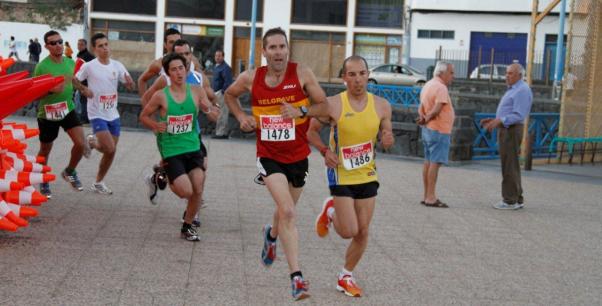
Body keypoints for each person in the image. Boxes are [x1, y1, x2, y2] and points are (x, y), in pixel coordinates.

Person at [224, 27, 329, 301]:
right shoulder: (251, 78)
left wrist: (301, 110)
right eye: (273, 48)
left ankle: (271, 235)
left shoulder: (302, 73)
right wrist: (240, 116)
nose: (279, 52)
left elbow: (325, 106)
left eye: (282, 47)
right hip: (268, 154)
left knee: (285, 211)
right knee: (289, 211)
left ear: (287, 50)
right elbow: (229, 95)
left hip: (297, 155)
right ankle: (297, 279)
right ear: (264, 52)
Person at [308, 55, 394, 298]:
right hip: (341, 173)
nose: (358, 79)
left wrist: (387, 139)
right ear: (344, 78)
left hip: (367, 173)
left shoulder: (382, 105)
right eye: (352, 74)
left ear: (368, 75)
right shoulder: (334, 104)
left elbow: (386, 136)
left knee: (363, 231)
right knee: (347, 231)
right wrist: (325, 151)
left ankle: (345, 275)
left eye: (362, 73)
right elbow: (311, 132)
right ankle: (331, 211)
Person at [141, 39, 219, 227]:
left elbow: (211, 102)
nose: (180, 68)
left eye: (186, 56)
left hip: (193, 136)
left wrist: (212, 109)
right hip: (171, 141)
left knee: (199, 181)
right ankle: (164, 174)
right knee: (186, 189)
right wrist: (155, 125)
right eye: (175, 66)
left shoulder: (198, 79)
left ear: (190, 58)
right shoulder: (163, 83)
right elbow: (145, 105)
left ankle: (190, 220)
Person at [74, 33, 134, 194]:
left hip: (112, 113)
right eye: (101, 46)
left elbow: (129, 85)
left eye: (106, 44)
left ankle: (98, 182)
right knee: (108, 147)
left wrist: (130, 84)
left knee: (111, 150)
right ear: (94, 49)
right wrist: (83, 89)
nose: (105, 48)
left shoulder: (117, 65)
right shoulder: (89, 66)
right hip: (96, 113)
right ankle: (91, 140)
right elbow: (74, 79)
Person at [34, 30, 89, 198]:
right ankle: (42, 178)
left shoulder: (69, 62)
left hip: (67, 109)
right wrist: (50, 91)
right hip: (48, 112)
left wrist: (84, 89)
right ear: (46, 46)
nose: (58, 45)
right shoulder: (42, 66)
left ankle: (70, 171)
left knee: (81, 144)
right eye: (53, 43)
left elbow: (74, 80)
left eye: (60, 41)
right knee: (45, 149)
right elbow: (35, 94)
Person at [481, 63, 532, 210]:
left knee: (509, 165)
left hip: (511, 130)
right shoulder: (513, 89)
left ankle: (510, 200)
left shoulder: (522, 90)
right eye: (506, 73)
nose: (507, 76)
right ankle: (517, 198)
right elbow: (508, 112)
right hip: (506, 128)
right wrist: (494, 120)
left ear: (519, 76)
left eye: (510, 73)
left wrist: (500, 120)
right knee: (511, 164)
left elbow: (518, 115)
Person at [416, 61, 455, 208]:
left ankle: (426, 195)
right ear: (442, 73)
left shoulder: (428, 85)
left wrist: (422, 117)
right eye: (451, 73)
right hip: (439, 130)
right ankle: (431, 197)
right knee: (434, 163)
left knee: (428, 162)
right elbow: (437, 108)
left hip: (428, 130)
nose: (453, 76)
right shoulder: (441, 87)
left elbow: (421, 106)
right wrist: (427, 118)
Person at [211, 49, 233, 139]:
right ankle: (222, 132)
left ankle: (221, 133)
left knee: (222, 113)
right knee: (220, 113)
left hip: (221, 93)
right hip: (216, 93)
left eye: (219, 56)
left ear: (223, 57)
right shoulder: (217, 67)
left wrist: (222, 92)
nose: (217, 57)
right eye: (216, 55)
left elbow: (228, 82)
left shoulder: (225, 67)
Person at [75, 38, 96, 123]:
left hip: (86, 83)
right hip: (80, 82)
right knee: (80, 100)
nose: (79, 46)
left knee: (84, 101)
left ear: (85, 45)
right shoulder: (80, 55)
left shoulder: (88, 56)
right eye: (78, 44)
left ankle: (85, 118)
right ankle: (83, 117)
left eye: (81, 44)